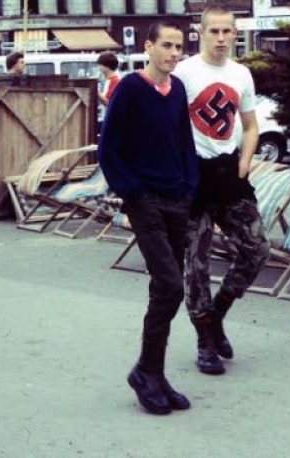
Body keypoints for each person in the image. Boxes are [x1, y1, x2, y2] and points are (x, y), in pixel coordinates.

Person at [98, 20, 198, 415]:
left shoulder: (177, 91)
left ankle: (152, 374)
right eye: (168, 46)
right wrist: (134, 193)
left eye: (179, 47)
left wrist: (189, 186)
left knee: (165, 290)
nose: (175, 53)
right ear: (149, 46)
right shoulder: (130, 89)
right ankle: (145, 370)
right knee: (172, 286)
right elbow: (109, 150)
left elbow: (185, 143)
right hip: (147, 202)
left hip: (177, 198)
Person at [173, 5, 270, 376]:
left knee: (257, 247)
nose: (220, 38)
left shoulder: (241, 74)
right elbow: (172, 123)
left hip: (229, 173)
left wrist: (245, 160)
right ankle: (204, 341)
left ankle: (218, 312)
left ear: (234, 33)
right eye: (213, 31)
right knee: (195, 262)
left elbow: (249, 126)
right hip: (193, 176)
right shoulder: (184, 72)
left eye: (227, 31)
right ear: (201, 33)